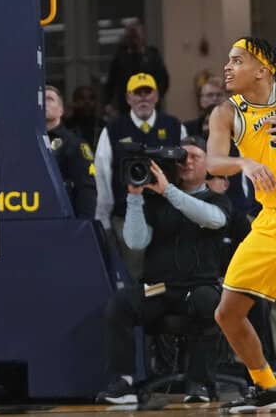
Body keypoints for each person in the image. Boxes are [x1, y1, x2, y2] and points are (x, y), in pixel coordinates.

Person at [98, 136, 231, 404]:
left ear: (208, 164)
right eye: (182, 157)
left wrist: (169, 190)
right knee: (121, 303)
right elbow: (136, 241)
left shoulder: (217, 200)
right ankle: (124, 383)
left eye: (195, 156)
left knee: (210, 303)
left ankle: (200, 382)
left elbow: (213, 220)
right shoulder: (157, 200)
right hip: (161, 288)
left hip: (197, 287)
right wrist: (135, 198)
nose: (188, 162)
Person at [207, 38, 276, 411]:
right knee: (227, 313)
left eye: (237, 60)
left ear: (262, 69)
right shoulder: (225, 112)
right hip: (270, 219)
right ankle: (267, 385)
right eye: (227, 60)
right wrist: (243, 164)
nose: (227, 67)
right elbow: (213, 162)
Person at [95, 72, 186, 278]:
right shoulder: (113, 130)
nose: (143, 98)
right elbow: (102, 173)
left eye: (148, 92)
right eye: (137, 93)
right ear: (128, 98)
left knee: (168, 270)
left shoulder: (174, 126)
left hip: (166, 212)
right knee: (133, 272)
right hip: (125, 212)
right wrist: (103, 218)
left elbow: (186, 168)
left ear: (156, 96)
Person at [45, 85, 97, 219]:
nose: (44, 102)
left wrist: (83, 225)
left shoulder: (75, 144)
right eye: (41, 99)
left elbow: (86, 190)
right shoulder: (26, 141)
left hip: (64, 219)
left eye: (50, 99)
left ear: (61, 109)